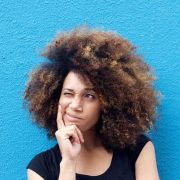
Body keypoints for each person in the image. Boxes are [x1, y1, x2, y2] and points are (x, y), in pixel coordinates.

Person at [25, 26, 160, 180]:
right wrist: (68, 162)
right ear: (56, 98)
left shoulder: (137, 149)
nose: (75, 105)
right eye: (68, 94)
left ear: (108, 103)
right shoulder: (40, 168)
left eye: (89, 95)